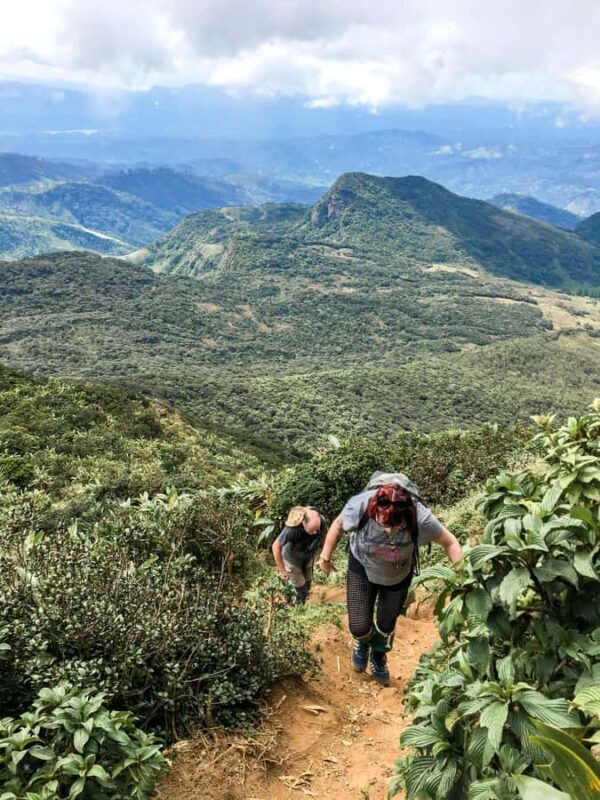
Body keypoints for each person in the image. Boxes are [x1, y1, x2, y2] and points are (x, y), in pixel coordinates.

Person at [316, 477, 462, 685]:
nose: (389, 531)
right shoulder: (361, 505)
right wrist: (325, 557)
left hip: (397, 576)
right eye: (384, 523)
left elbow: (450, 542)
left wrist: (463, 574)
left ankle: (378, 655)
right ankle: (364, 642)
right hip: (362, 567)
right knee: (358, 626)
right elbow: (338, 524)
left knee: (385, 625)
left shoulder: (420, 518)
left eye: (397, 526)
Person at [272, 506, 327, 604]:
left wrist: (323, 556)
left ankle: (299, 597)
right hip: (292, 559)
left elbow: (324, 537)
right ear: (303, 523)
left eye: (317, 530)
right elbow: (275, 546)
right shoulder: (291, 529)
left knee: (308, 583)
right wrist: (282, 570)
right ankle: (297, 605)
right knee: (301, 590)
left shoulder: (321, 522)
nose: (315, 533)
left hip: (308, 557)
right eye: (311, 530)